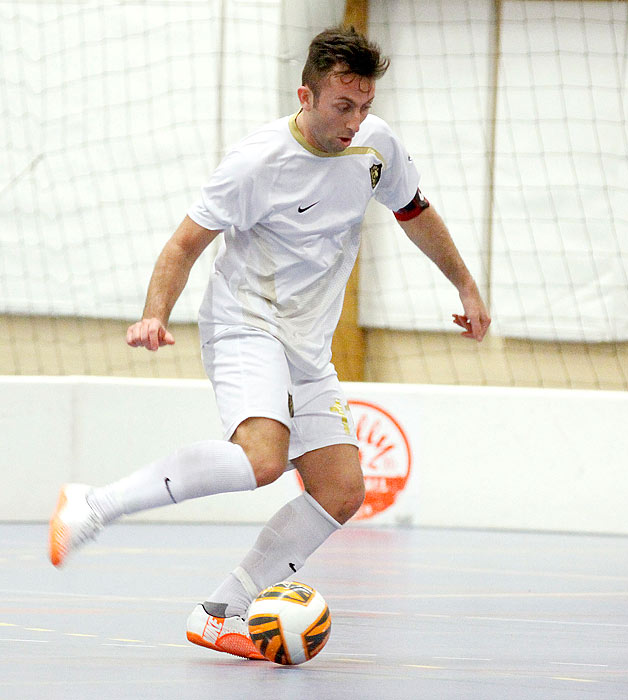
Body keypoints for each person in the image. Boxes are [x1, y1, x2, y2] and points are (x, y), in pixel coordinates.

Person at [48, 26, 490, 660]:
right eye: (343, 106)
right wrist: (154, 315)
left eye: (365, 105)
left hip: (308, 345)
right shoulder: (257, 163)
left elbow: (414, 211)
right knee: (259, 459)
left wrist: (466, 288)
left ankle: (220, 610)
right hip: (245, 322)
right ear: (307, 95)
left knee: (341, 491)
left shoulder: (376, 145)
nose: (356, 120)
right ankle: (95, 503)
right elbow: (183, 246)